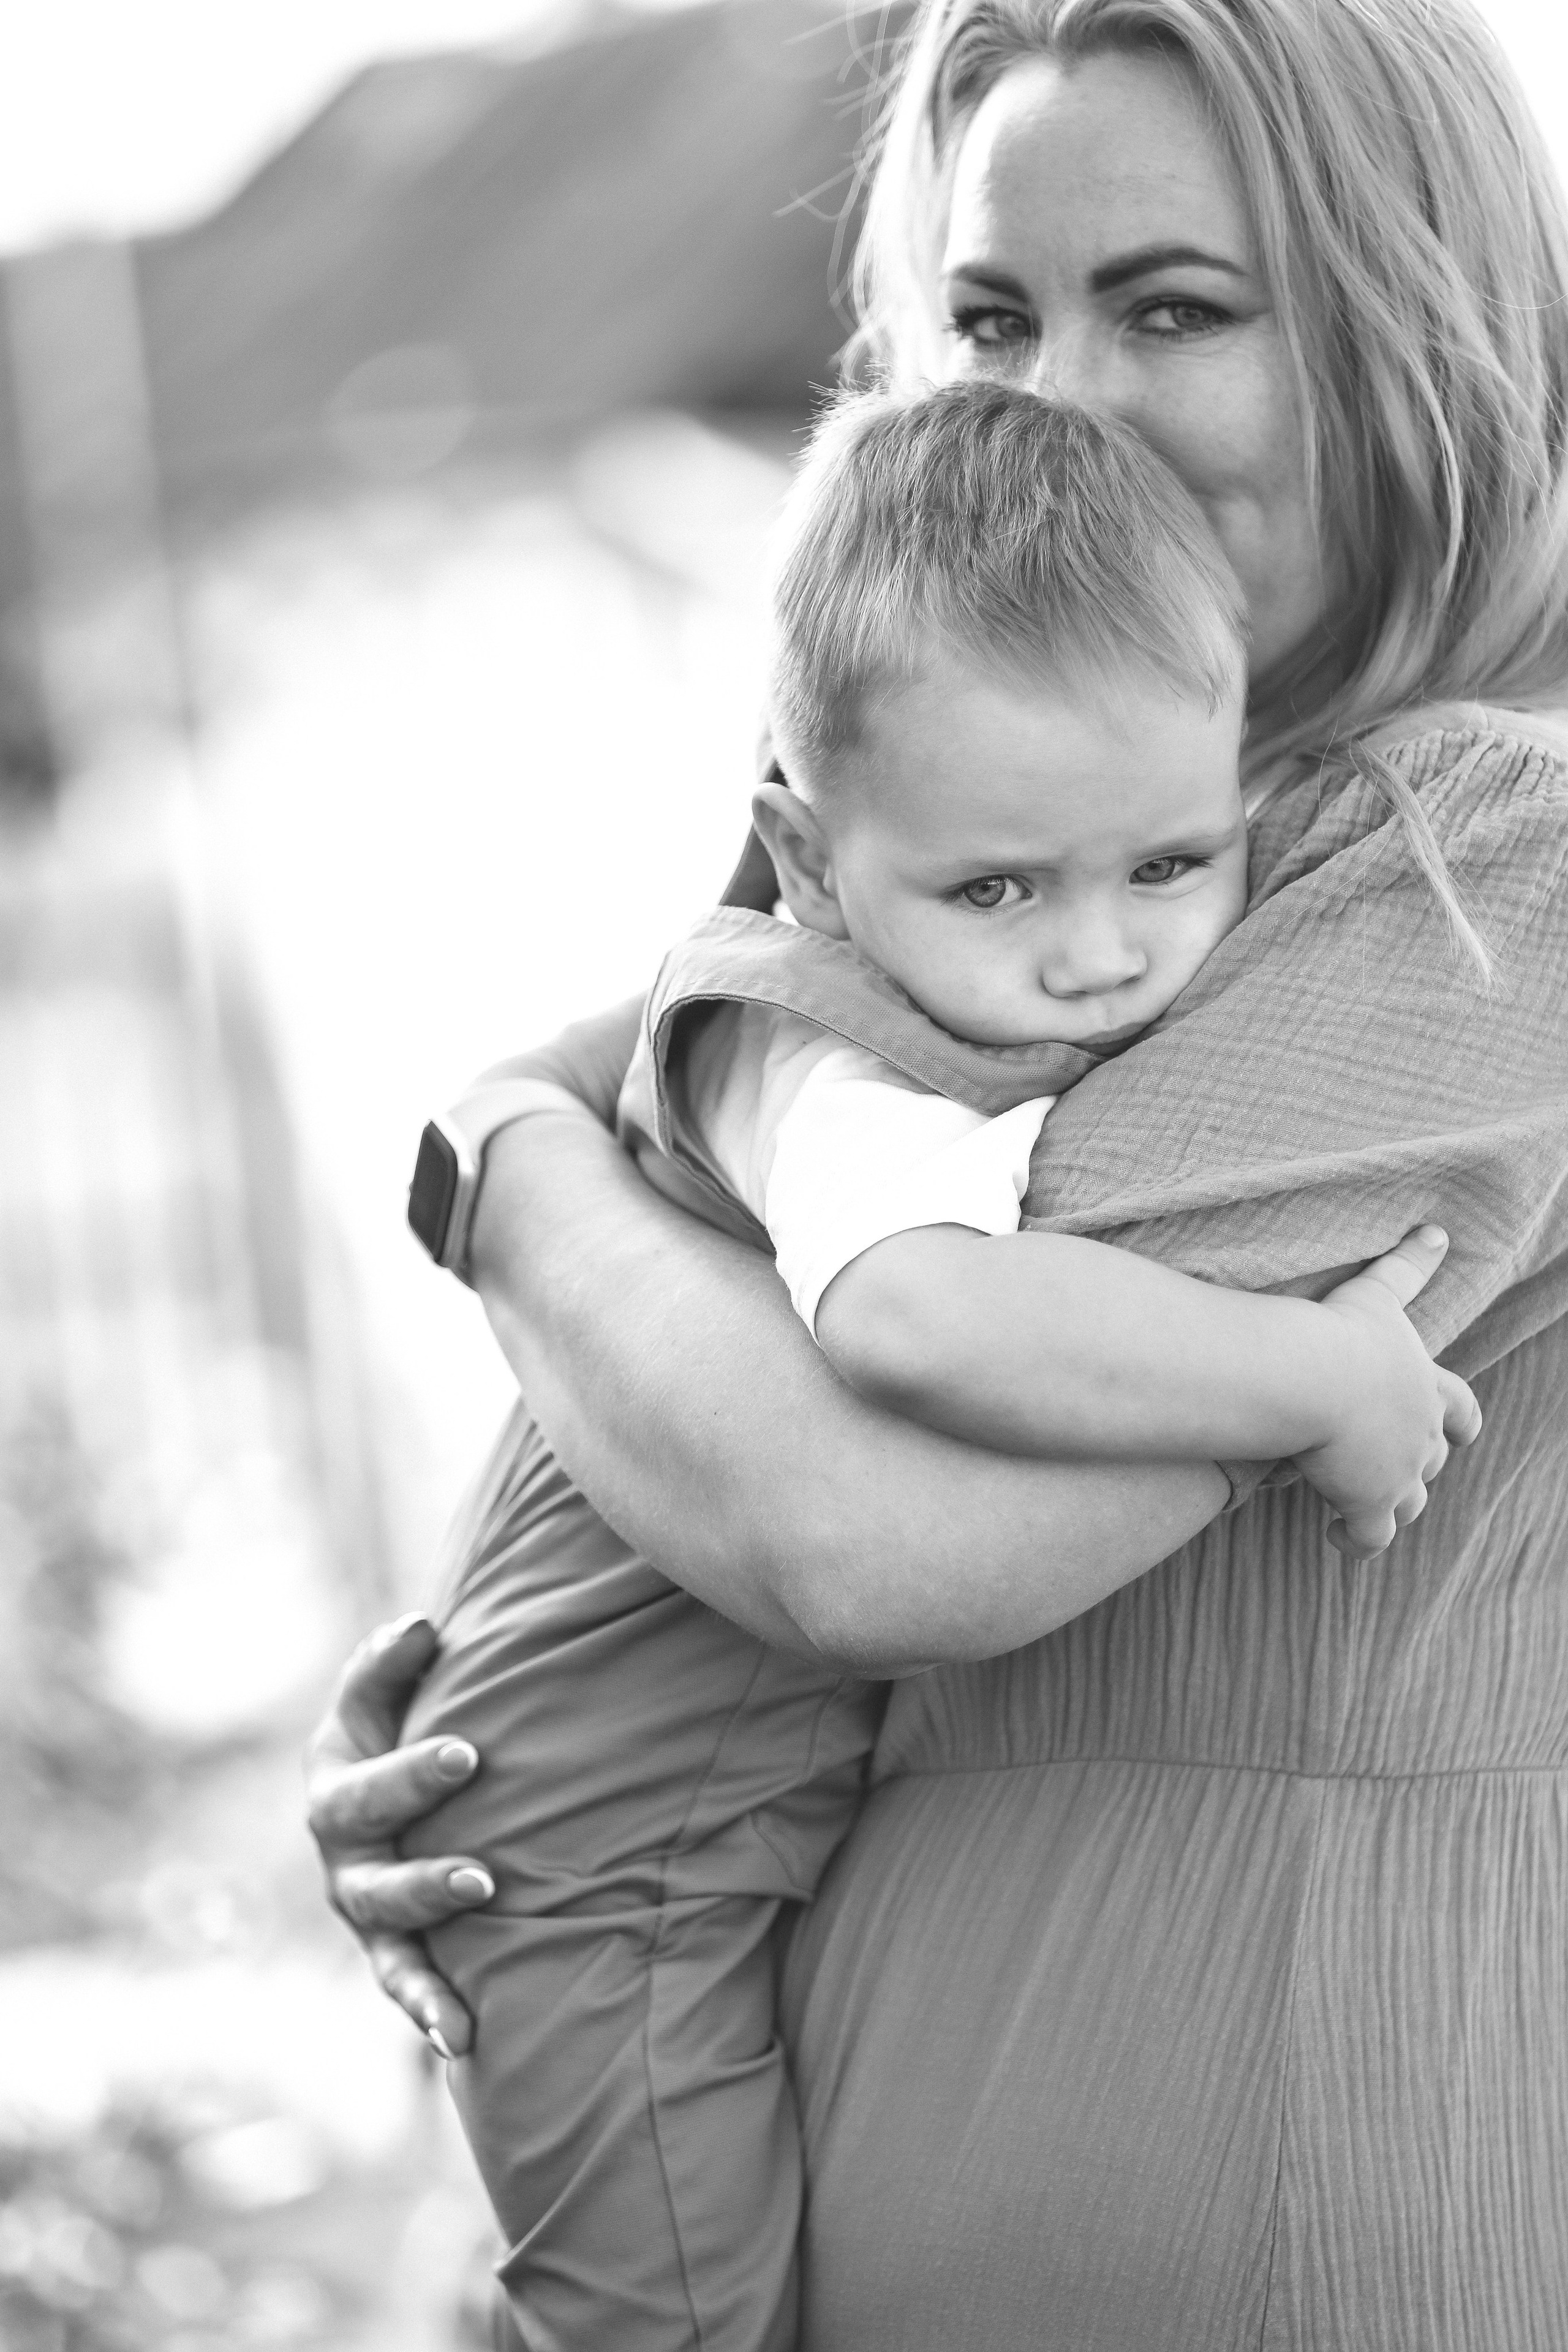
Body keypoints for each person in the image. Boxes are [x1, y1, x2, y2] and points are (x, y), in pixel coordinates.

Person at [307, 0, 1568, 2341]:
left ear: (1420, 328)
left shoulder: (1505, 848)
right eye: (990, 318)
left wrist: (495, 1157)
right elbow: (682, 1473)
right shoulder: (1095, 867)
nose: (1051, 408)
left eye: (1173, 308)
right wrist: (523, 1775)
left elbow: (865, 1527)